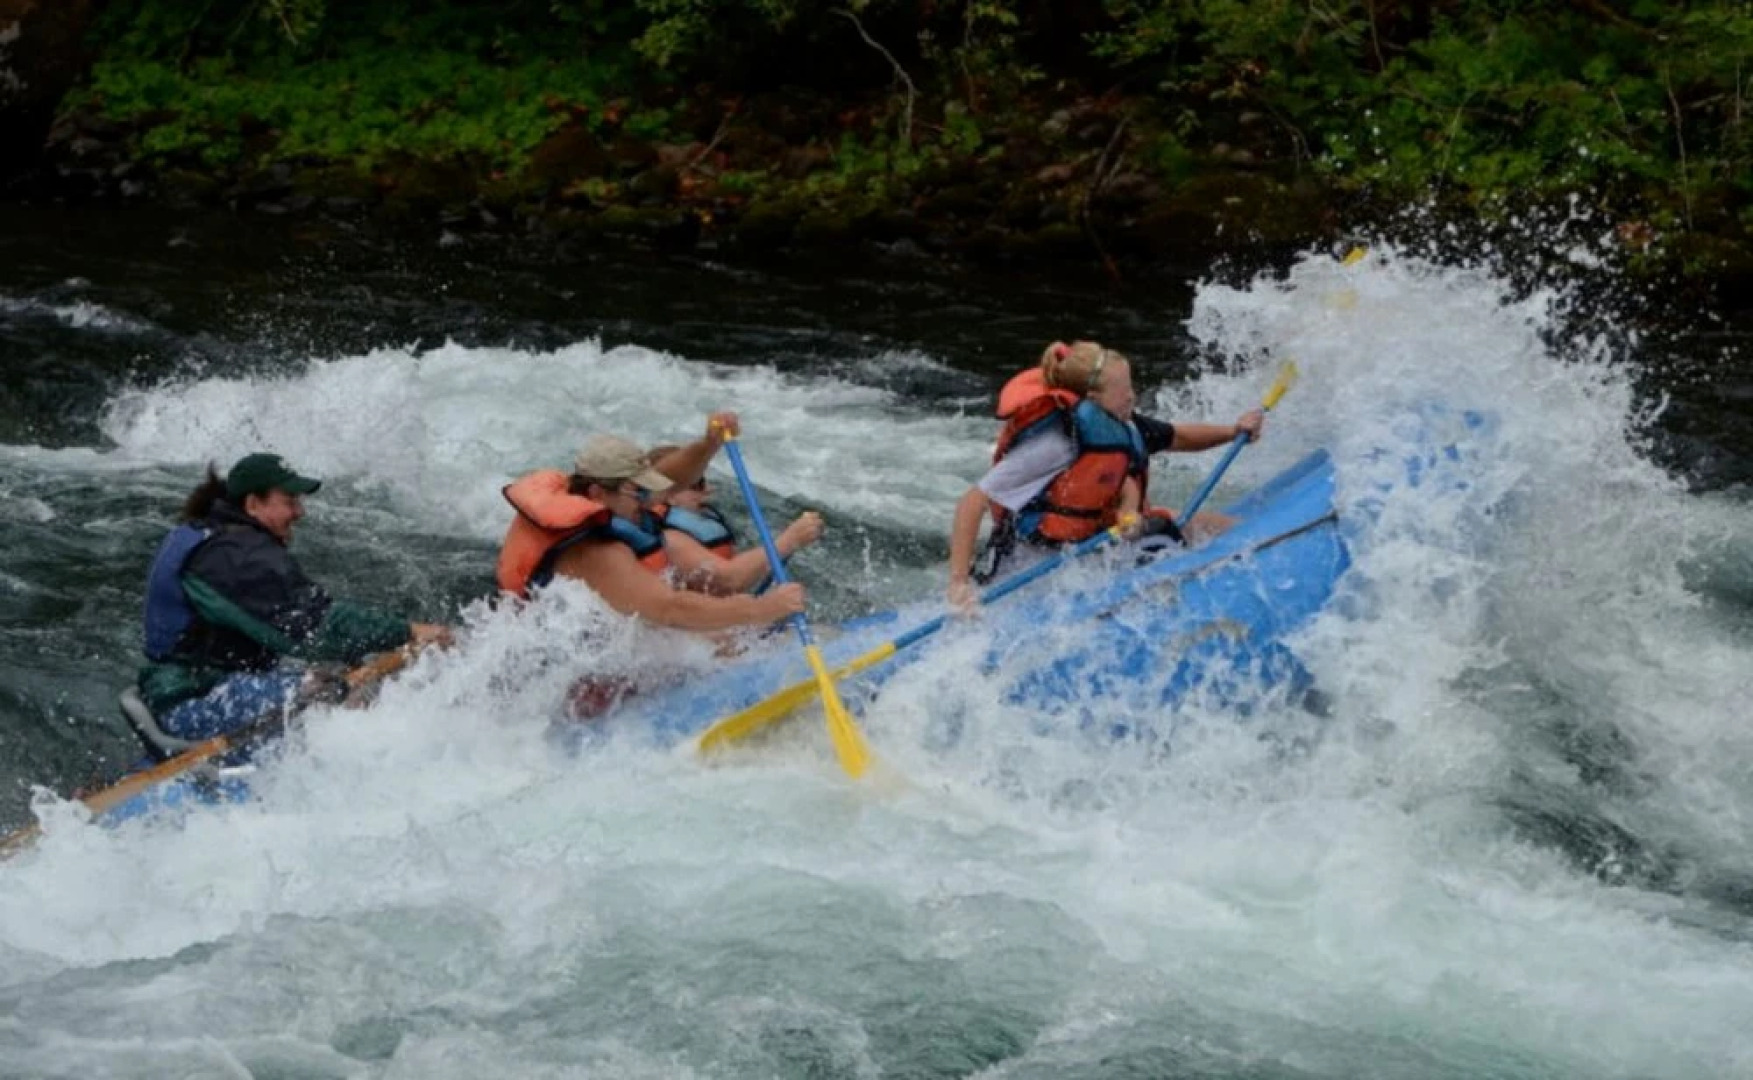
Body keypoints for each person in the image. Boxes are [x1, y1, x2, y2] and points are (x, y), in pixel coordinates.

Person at [137, 452, 451, 745]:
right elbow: (318, 627)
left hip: (201, 686)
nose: (299, 512)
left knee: (344, 677)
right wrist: (407, 632)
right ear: (253, 504)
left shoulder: (215, 537)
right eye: (289, 501)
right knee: (333, 694)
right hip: (191, 703)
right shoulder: (238, 558)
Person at [946, 340, 1264, 610]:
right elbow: (973, 501)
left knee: (1210, 526)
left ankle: (1265, 549)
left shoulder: (1123, 424)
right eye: (1123, 391)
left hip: (1099, 540)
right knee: (1163, 530)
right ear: (1093, 399)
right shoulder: (1057, 443)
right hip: (1041, 560)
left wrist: (1233, 431)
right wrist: (959, 583)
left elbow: (1177, 437)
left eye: (1131, 387)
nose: (1132, 397)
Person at [496, 414, 807, 632]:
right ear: (597, 493)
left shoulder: (601, 495)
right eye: (639, 491)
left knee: (728, 637)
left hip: (603, 645)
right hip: (576, 685)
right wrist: (758, 610)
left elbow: (670, 479)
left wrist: (708, 444)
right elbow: (669, 608)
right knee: (723, 639)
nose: (649, 501)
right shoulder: (596, 553)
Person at [642, 444, 825, 595]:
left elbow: (734, 583)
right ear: (666, 494)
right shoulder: (670, 539)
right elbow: (729, 580)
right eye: (697, 484)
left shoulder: (696, 523)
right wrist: (789, 540)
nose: (708, 490)